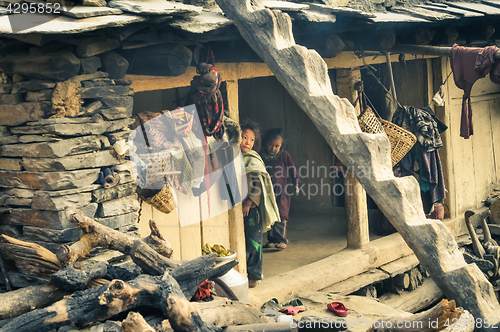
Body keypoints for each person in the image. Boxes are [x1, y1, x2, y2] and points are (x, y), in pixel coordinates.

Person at [240, 120, 280, 288]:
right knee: (242, 242)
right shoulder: (235, 158)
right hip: (238, 210)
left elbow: (259, 187)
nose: (248, 142)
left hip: (251, 211)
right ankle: (244, 272)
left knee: (254, 243)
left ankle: (254, 275)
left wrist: (248, 203)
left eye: (252, 140)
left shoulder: (253, 160)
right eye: (244, 137)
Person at [260, 128, 300, 250]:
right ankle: (272, 240)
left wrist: (296, 183)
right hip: (268, 192)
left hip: (282, 191)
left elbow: (292, 169)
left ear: (281, 145)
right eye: (270, 145)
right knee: (270, 215)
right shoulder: (262, 156)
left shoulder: (283, 155)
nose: (273, 148)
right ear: (265, 143)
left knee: (282, 215)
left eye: (277, 146)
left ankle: (281, 239)